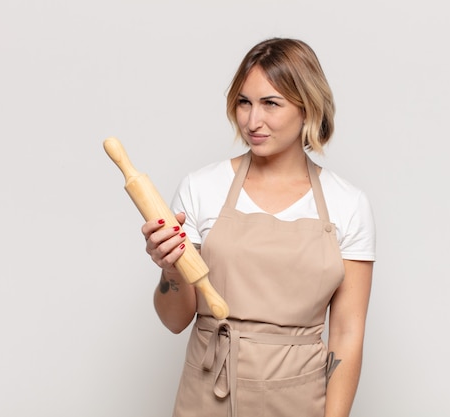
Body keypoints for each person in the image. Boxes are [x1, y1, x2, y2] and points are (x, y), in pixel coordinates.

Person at [142, 37, 375, 417]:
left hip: (300, 400)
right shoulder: (201, 188)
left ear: (308, 107)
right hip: (207, 395)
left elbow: (347, 334)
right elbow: (174, 320)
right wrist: (171, 271)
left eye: (271, 103)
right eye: (244, 102)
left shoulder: (348, 204)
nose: (253, 121)